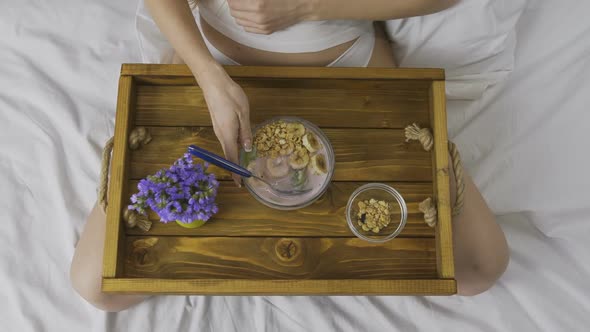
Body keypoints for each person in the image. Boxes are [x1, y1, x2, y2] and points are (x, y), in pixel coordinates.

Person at [70, 0, 508, 312]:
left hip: (348, 65)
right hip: (212, 62)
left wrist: (309, 9)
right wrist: (208, 78)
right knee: (95, 286)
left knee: (481, 267)